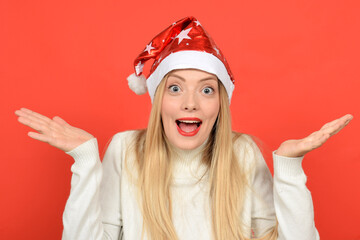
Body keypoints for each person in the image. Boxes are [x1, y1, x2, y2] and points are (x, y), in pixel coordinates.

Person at [15, 16, 353, 240]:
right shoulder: (126, 150)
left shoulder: (243, 153)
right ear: (158, 99)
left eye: (207, 89)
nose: (190, 103)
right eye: (175, 88)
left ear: (220, 103)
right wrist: (86, 161)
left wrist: (291, 169)